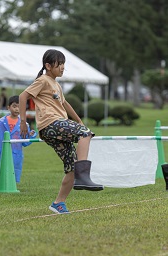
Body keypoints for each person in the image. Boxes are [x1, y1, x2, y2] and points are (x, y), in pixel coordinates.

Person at [19, 49, 104, 214]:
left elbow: (65, 105)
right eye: (60, 64)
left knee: (71, 167)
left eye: (64, 64)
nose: (63, 68)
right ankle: (84, 177)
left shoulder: (56, 84)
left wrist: (79, 122)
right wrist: (23, 122)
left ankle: (58, 203)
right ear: (48, 66)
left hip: (54, 127)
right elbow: (23, 97)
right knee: (85, 134)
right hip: (51, 124)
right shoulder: (43, 80)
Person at [0, 95, 37, 183]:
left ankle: (13, 184)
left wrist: (30, 135)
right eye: (14, 106)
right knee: (0, 170)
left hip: (16, 154)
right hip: (0, 152)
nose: (17, 109)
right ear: (8, 107)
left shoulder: (24, 125)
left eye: (19, 107)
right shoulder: (0, 122)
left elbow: (25, 143)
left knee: (14, 173)